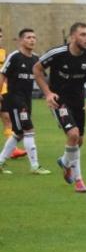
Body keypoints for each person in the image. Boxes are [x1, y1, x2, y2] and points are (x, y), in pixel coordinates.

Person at [33, 22, 86, 193]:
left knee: (78, 140)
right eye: (83, 34)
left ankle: (65, 162)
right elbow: (36, 69)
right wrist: (48, 93)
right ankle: (78, 180)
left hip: (78, 100)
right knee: (73, 134)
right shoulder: (57, 53)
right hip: (59, 100)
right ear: (72, 37)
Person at [0, 29, 51, 175]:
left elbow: (41, 77)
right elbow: (3, 74)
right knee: (28, 129)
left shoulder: (36, 59)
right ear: (21, 40)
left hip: (27, 100)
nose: (32, 40)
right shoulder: (14, 57)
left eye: (34, 37)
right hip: (15, 99)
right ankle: (34, 166)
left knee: (19, 133)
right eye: (28, 37)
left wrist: (48, 93)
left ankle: (1, 161)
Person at [0, 28, 27, 160]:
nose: (0, 38)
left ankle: (12, 150)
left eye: (0, 36)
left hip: (3, 90)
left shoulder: (3, 52)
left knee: (7, 118)